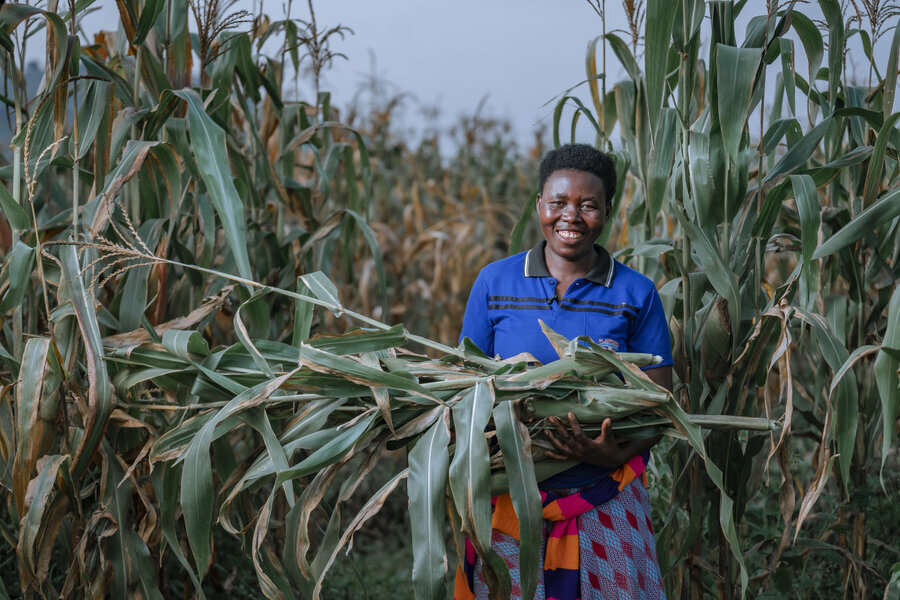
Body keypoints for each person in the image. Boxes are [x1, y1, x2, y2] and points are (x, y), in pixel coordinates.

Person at [453, 143, 672, 600]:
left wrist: (611, 455)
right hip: (509, 501)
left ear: (607, 212)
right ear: (539, 206)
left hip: (604, 496)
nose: (570, 216)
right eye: (558, 203)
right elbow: (465, 387)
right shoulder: (495, 283)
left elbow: (658, 405)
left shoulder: (636, 292)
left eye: (588, 205)